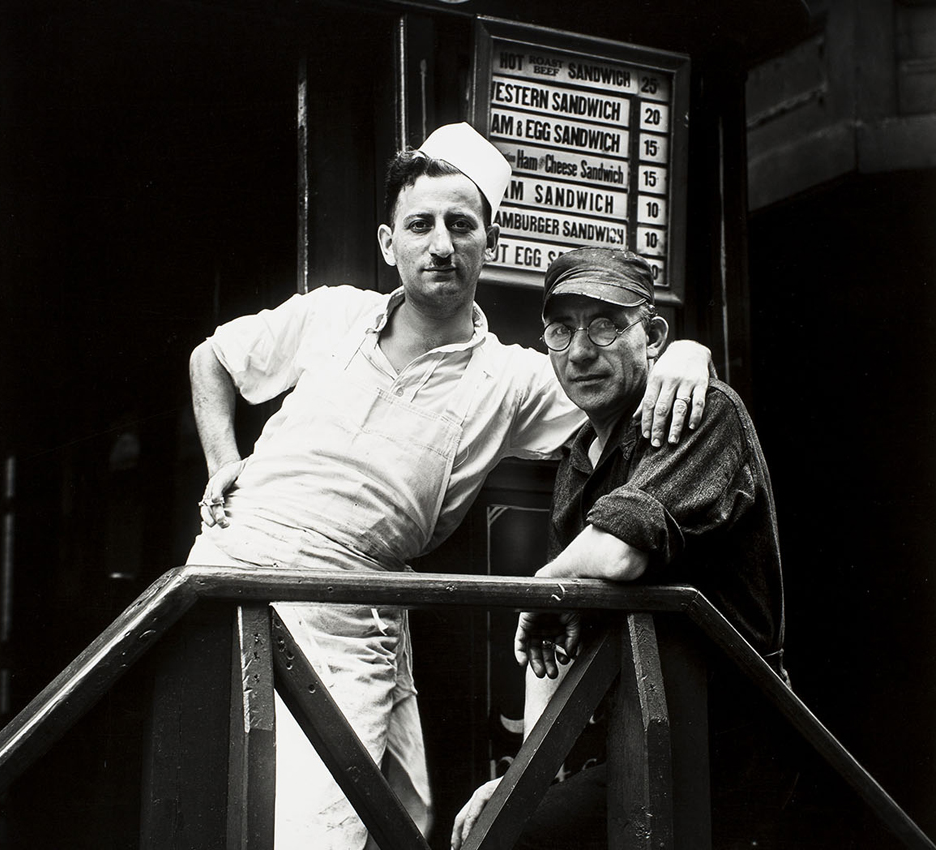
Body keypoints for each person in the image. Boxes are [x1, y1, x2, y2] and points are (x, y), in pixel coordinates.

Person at [186, 124, 712, 850]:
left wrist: (688, 350)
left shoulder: (514, 376)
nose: (440, 245)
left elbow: (625, 377)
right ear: (386, 241)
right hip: (231, 565)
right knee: (206, 793)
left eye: (460, 225)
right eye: (420, 225)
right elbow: (211, 358)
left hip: (349, 605)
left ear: (486, 242)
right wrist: (222, 459)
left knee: (355, 826)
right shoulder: (331, 313)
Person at [452, 247, 787, 850]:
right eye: (561, 330)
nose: (580, 351)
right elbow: (552, 649)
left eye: (605, 325)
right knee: (494, 827)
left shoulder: (704, 409)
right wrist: (523, 781)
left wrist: (546, 584)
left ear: (653, 335)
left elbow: (619, 552)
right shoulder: (579, 458)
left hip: (726, 755)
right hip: (635, 743)